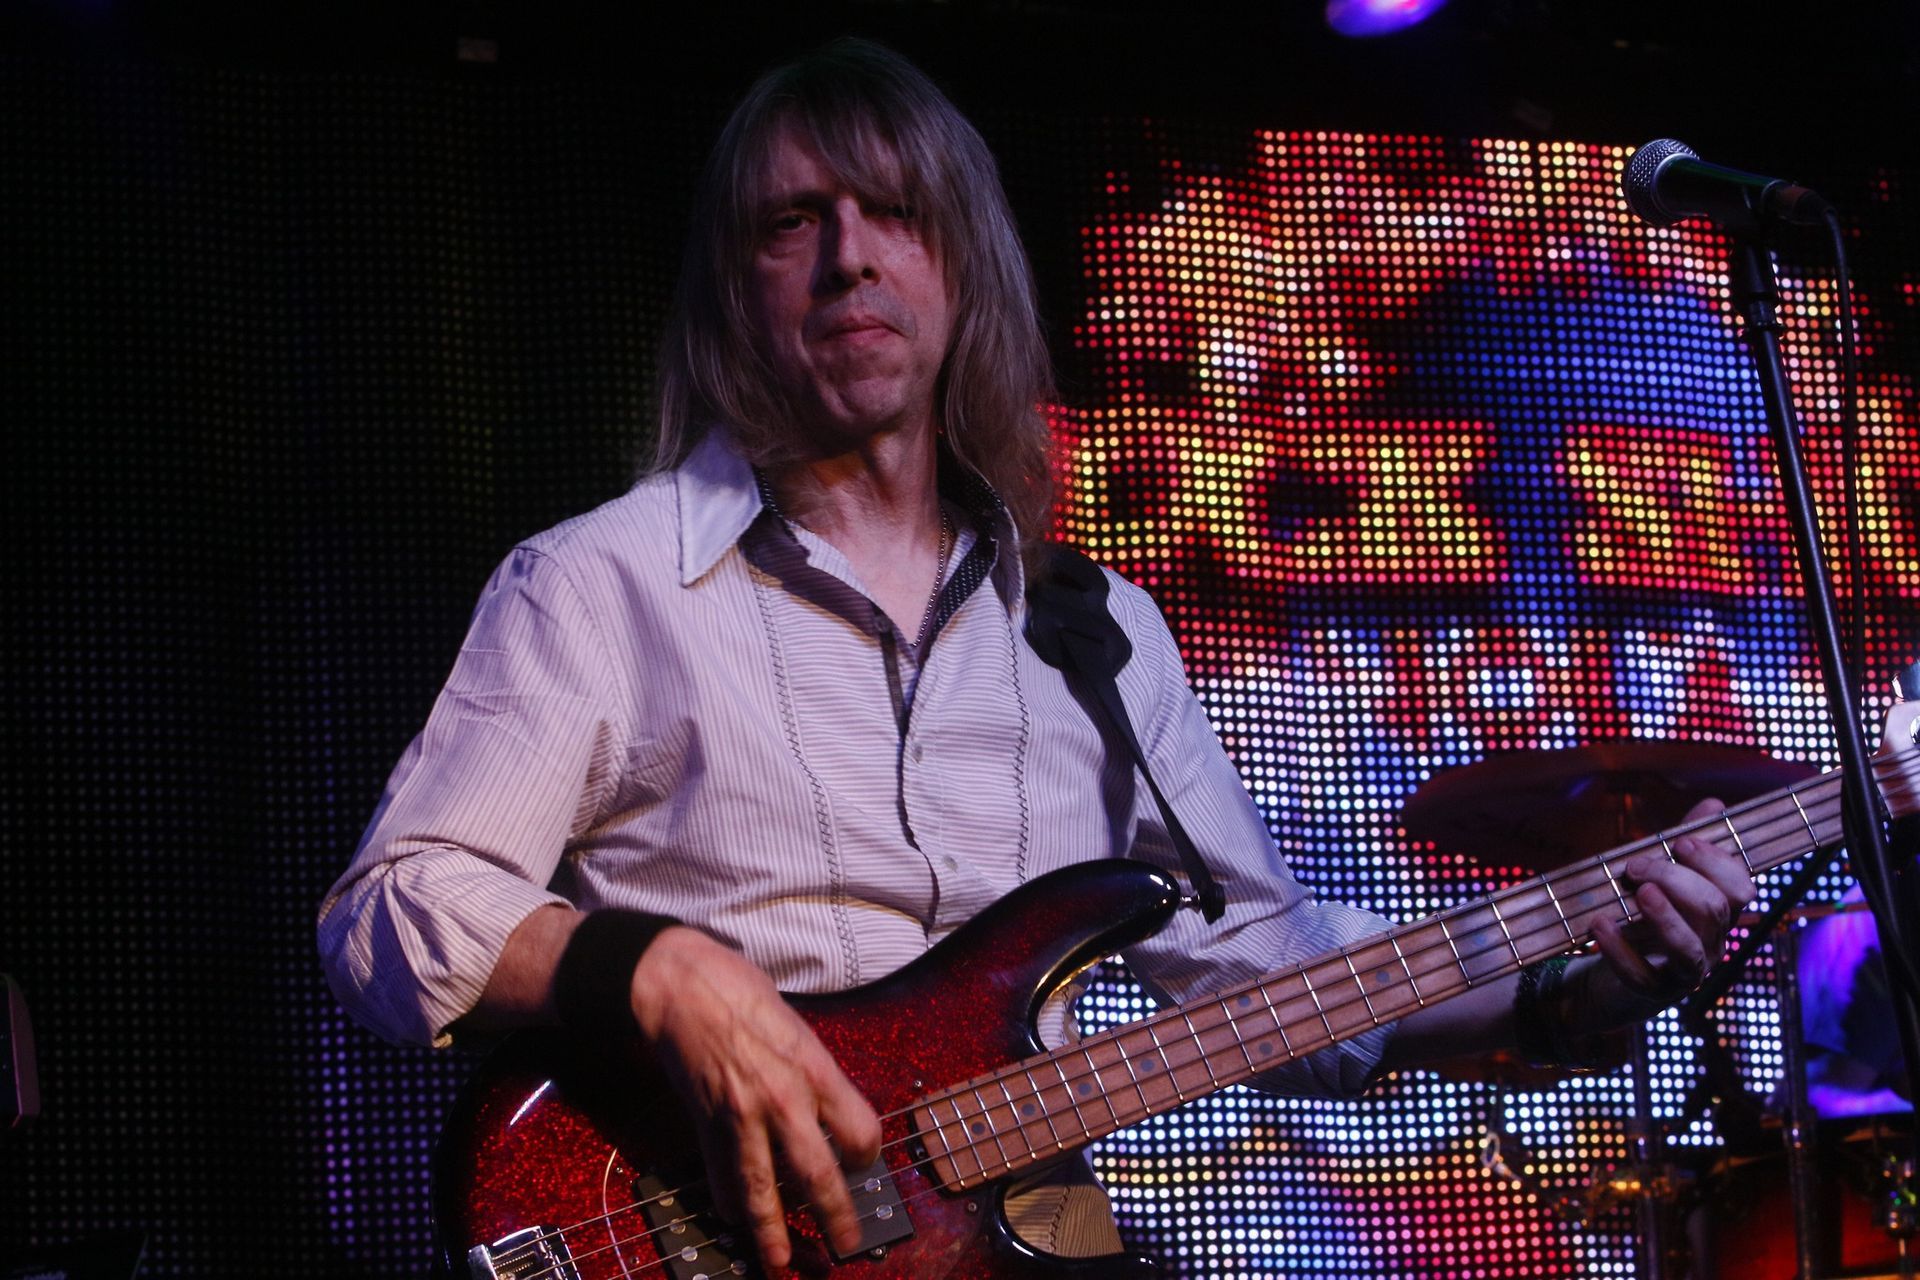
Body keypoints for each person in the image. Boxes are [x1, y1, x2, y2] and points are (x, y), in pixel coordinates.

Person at [316, 37, 1753, 1271]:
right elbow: (393, 910)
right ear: (733, 288)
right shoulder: (605, 581)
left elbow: (1272, 970)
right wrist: (659, 972)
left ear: (962, 266)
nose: (849, 256)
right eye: (792, 221)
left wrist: (1577, 987)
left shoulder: (1094, 632)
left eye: (896, 212)